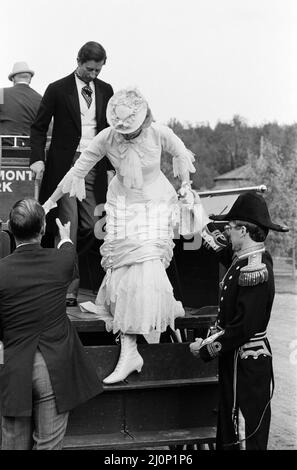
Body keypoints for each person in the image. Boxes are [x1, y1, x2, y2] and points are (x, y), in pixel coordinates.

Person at [42, 87, 198, 384]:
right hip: (123, 203)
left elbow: (180, 154)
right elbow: (77, 170)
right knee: (124, 264)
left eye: (132, 129)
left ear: (145, 120)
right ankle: (134, 342)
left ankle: (132, 348)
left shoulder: (160, 134)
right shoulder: (106, 138)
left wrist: (186, 187)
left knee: (146, 261)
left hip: (154, 201)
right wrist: (49, 202)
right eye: (122, 129)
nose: (126, 134)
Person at [190, 191, 289, 450]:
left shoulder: (254, 267)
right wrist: (193, 209)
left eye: (231, 227)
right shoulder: (244, 259)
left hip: (247, 362)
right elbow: (217, 245)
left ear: (243, 231)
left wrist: (206, 348)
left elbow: (243, 328)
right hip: (236, 360)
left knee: (243, 431)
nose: (227, 232)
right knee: (230, 427)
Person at [0, 198, 102, 450]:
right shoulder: (62, 262)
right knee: (48, 445)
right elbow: (68, 251)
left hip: (14, 366)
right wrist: (66, 237)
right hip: (52, 366)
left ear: (10, 230)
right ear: (43, 229)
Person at [30, 41, 114, 307]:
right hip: (65, 166)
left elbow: (111, 131)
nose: (93, 75)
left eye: (98, 71)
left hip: (94, 166)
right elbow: (38, 127)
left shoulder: (106, 90)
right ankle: (68, 288)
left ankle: (61, 264)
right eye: (89, 69)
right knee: (69, 225)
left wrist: (113, 167)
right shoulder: (57, 89)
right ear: (78, 62)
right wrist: (37, 160)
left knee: (92, 225)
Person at [0, 62, 42, 142]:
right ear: (30, 79)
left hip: (4, 147)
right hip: (29, 148)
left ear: (13, 78)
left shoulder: (1, 93)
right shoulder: (40, 98)